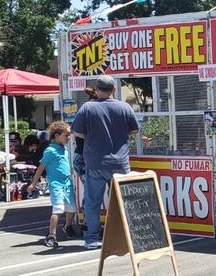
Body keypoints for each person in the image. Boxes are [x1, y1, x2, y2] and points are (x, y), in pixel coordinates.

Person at [71, 75, 139, 250]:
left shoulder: (87, 108)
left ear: (97, 89)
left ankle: (92, 239)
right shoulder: (125, 107)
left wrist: (93, 136)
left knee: (93, 202)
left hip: (95, 162)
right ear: (114, 89)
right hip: (120, 163)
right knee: (124, 201)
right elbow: (134, 130)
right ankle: (127, 236)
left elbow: (77, 132)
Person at [28, 121, 77, 248]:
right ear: (56, 136)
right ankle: (51, 235)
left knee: (72, 209)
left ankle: (67, 227)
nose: (68, 137)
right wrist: (33, 183)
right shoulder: (50, 151)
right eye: (66, 135)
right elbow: (41, 167)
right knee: (58, 209)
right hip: (56, 185)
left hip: (67, 183)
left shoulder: (64, 148)